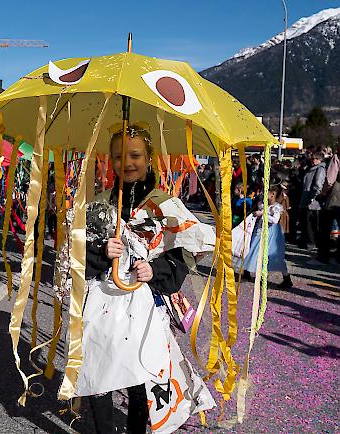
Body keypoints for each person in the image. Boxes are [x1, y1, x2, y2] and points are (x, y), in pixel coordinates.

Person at [80, 123, 215, 434]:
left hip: (144, 307)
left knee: (141, 377)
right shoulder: (98, 204)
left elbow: (190, 250)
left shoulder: (166, 204)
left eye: (135, 154)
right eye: (118, 156)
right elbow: (73, 259)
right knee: (99, 373)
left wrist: (156, 270)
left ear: (150, 157)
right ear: (110, 160)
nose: (127, 163)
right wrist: (101, 252)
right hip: (102, 306)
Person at [240, 184, 292, 288]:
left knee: (272, 256)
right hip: (260, 231)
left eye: (265, 192)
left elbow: (275, 220)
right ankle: (247, 272)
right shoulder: (263, 204)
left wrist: (262, 214)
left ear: (272, 194)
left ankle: (286, 278)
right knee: (252, 250)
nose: (263, 194)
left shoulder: (276, 207)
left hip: (272, 234)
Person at [298, 152, 326, 250]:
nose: (312, 160)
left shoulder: (320, 169)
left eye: (314, 158)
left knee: (312, 223)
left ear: (319, 160)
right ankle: (308, 241)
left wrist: (313, 197)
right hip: (306, 197)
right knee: (306, 222)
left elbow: (318, 183)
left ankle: (312, 242)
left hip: (313, 201)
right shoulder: (310, 169)